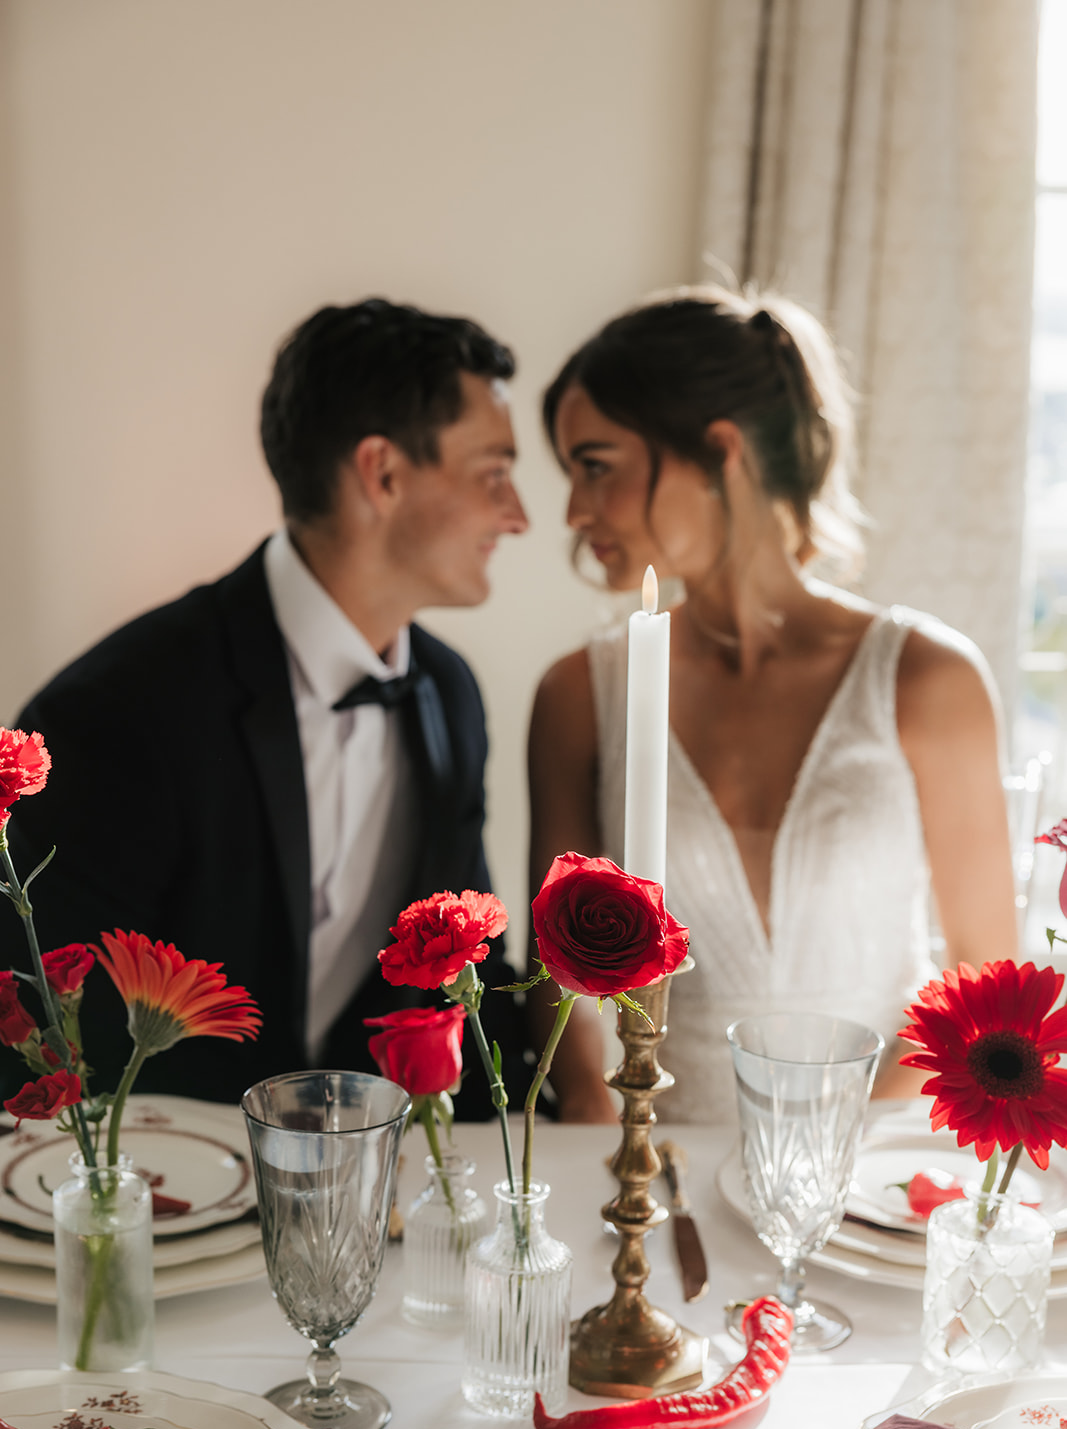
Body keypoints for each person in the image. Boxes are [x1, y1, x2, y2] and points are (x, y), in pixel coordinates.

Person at [1, 298, 529, 1111]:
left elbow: (467, 977)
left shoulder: (449, 695)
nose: (517, 514)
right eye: (494, 472)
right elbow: (47, 1033)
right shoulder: (117, 712)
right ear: (381, 474)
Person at [528, 285, 1017, 1124]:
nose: (574, 511)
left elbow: (986, 985)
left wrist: (833, 1154)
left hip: (871, 1179)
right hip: (656, 1183)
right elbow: (557, 982)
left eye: (597, 466)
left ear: (718, 451)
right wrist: (601, 1142)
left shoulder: (927, 681)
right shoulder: (580, 693)